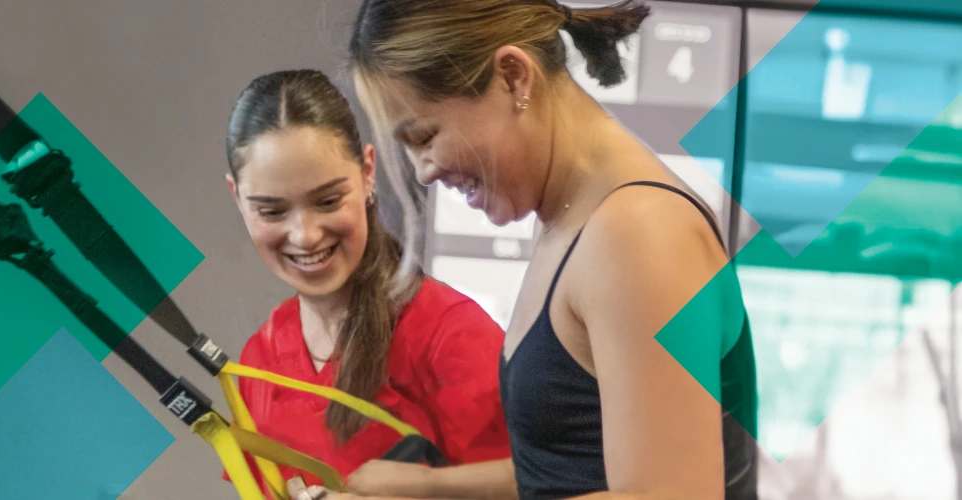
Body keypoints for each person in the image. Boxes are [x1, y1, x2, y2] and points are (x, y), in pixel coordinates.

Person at [332, 0, 760, 499]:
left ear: (514, 77)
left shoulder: (639, 234)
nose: (424, 170)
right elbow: (566, 471)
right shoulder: (572, 214)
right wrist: (430, 489)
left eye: (425, 136)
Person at [222, 69, 513, 498]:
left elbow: (546, 481)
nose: (305, 235)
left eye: (327, 201)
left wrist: (426, 490)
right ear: (237, 199)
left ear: (367, 173)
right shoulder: (260, 361)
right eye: (272, 212)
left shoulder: (448, 333)